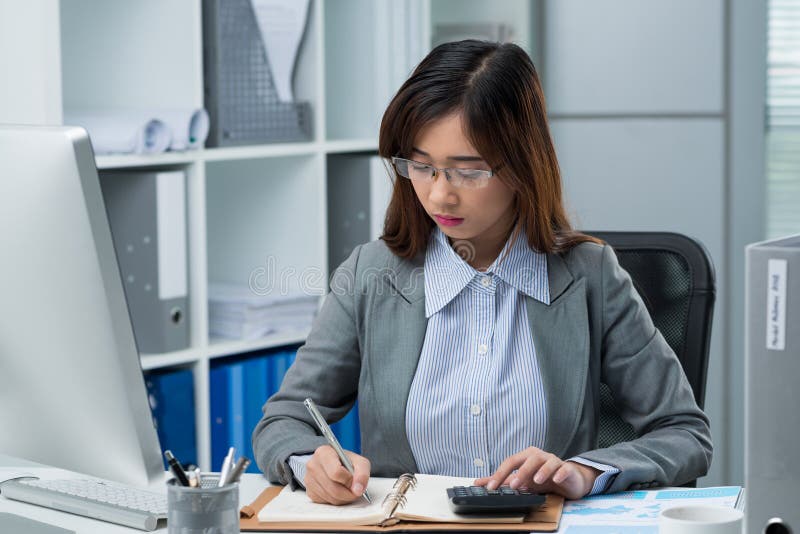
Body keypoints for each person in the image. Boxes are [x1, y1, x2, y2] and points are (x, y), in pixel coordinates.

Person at [252, 39, 712, 505]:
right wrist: (309, 462)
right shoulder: (371, 275)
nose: (438, 196)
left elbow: (683, 433)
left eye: (467, 171)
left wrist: (583, 472)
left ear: (523, 165)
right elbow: (284, 421)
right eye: (421, 166)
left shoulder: (590, 277)